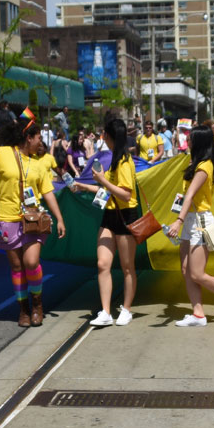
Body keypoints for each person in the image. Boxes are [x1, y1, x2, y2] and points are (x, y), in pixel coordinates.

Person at [0, 117, 67, 327]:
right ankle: (23, 308)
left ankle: (37, 304)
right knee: (16, 267)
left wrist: (59, 218)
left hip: (33, 220)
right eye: (38, 138)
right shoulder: (1, 153)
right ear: (28, 138)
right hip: (6, 218)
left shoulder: (38, 164)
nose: (40, 143)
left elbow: (48, 193)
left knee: (31, 262)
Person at [164, 126, 214, 326]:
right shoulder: (196, 164)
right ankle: (198, 314)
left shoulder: (204, 167)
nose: (187, 142)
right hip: (190, 220)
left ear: (200, 143)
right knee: (186, 269)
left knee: (197, 273)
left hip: (200, 222)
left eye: (191, 139)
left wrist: (178, 221)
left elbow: (189, 196)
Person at [73, 118, 141, 327]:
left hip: (125, 216)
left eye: (105, 136)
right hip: (110, 216)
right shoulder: (114, 159)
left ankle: (127, 309)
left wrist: (102, 180)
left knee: (127, 267)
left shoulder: (124, 162)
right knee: (103, 264)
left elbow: (125, 195)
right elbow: (109, 192)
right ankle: (105, 311)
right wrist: (84, 187)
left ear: (110, 137)